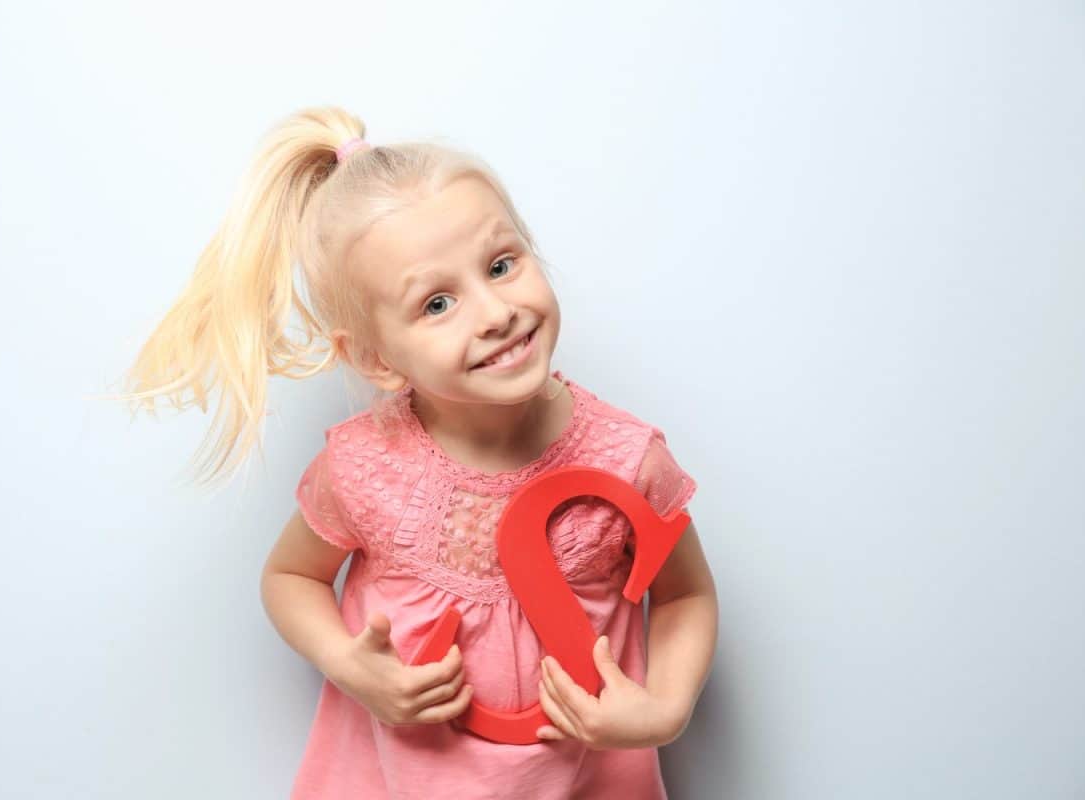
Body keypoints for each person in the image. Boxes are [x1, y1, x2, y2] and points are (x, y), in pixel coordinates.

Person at [114, 105, 719, 799]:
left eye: (501, 264)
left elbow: (685, 594)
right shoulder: (364, 466)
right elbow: (290, 579)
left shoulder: (626, 457)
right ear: (374, 357)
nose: (495, 313)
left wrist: (665, 708)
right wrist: (350, 664)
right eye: (436, 304)